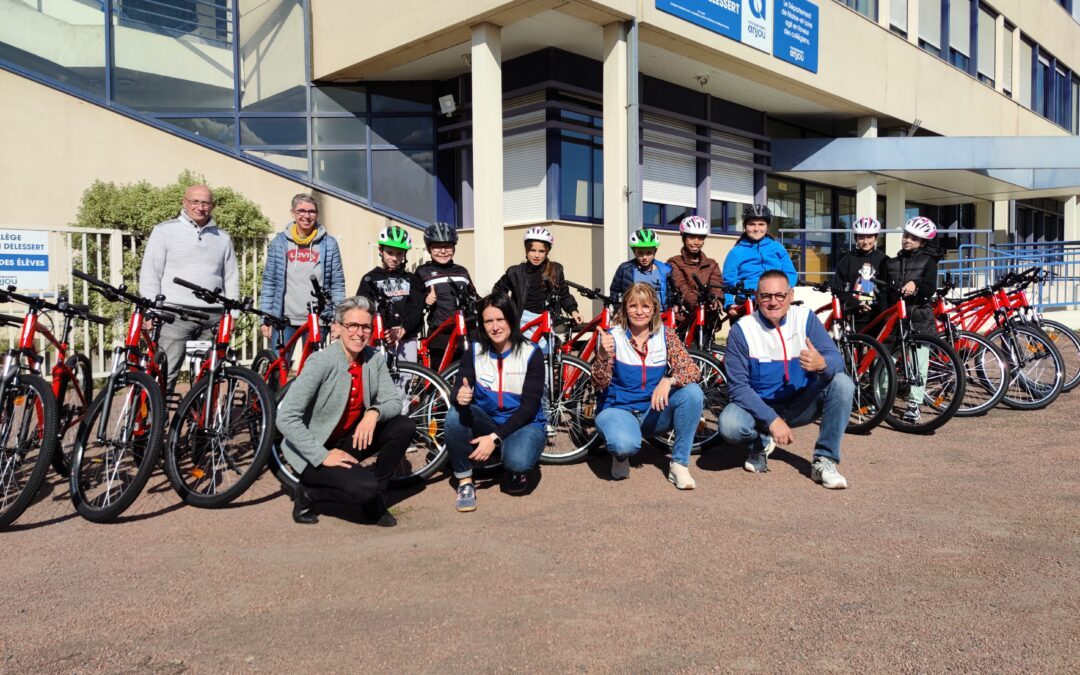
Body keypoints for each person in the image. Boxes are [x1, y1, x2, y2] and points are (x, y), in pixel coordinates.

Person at [276, 296, 417, 526]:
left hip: (348, 439)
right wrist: (322, 456)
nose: (359, 333)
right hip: (312, 450)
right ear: (338, 328)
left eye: (365, 327)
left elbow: (393, 401)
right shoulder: (321, 362)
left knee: (404, 425)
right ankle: (309, 494)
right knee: (364, 488)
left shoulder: (374, 359)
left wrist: (373, 413)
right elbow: (286, 417)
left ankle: (375, 497)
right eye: (352, 325)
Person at [719, 270, 853, 489]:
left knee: (843, 384)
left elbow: (836, 361)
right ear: (756, 296)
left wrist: (823, 364)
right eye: (766, 296)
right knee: (730, 425)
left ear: (791, 295)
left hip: (801, 403)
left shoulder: (805, 318)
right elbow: (738, 389)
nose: (773, 302)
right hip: (759, 409)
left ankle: (824, 460)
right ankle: (759, 443)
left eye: (780, 295)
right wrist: (772, 420)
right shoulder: (742, 329)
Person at [591, 282, 704, 489]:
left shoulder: (666, 334)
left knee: (693, 393)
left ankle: (679, 464)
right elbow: (599, 383)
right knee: (624, 445)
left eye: (645, 306)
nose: (639, 312)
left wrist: (668, 380)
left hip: (653, 412)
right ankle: (620, 455)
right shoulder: (613, 336)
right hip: (619, 410)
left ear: (654, 309)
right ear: (625, 309)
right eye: (633, 306)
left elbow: (693, 371)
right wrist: (601, 356)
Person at [446, 293, 546, 511]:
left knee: (518, 461)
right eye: (488, 321)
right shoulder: (474, 351)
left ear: (511, 319)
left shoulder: (532, 352)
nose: (495, 327)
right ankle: (465, 480)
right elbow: (459, 386)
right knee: (455, 414)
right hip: (489, 420)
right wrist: (459, 395)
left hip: (524, 423)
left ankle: (511, 465)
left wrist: (495, 438)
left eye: (500, 319)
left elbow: (529, 408)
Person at [138, 184, 238, 391]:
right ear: (184, 202)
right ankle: (158, 421)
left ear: (213, 206)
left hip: (213, 318)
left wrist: (232, 315)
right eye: (195, 201)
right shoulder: (164, 231)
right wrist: (151, 310)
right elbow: (151, 272)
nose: (200, 207)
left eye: (206, 203)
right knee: (166, 372)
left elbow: (231, 277)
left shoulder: (223, 238)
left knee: (209, 377)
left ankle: (201, 421)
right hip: (174, 315)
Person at [258, 193, 346, 363]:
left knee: (313, 372)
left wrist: (338, 319)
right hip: (283, 319)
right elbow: (269, 282)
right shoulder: (279, 242)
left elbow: (337, 284)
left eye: (312, 211)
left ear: (317, 214)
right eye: (301, 211)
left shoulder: (329, 244)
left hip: (318, 320)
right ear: (293, 213)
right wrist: (266, 317)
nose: (306, 216)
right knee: (278, 367)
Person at [882, 216, 942, 423]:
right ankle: (882, 400)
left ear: (923, 242)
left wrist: (915, 286)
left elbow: (929, 288)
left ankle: (914, 404)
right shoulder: (892, 262)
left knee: (918, 364)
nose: (907, 240)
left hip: (918, 317)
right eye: (906, 235)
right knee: (886, 361)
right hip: (895, 319)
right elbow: (884, 292)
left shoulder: (928, 261)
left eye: (914, 238)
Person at [493, 227, 581, 350]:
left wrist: (573, 310)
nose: (536, 255)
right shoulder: (515, 272)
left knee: (547, 356)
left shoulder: (555, 270)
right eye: (532, 250)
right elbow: (498, 291)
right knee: (529, 355)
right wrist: (506, 310)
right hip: (524, 319)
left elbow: (564, 293)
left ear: (547, 252)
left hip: (547, 319)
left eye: (541, 251)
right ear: (526, 250)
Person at [356, 225, 425, 362]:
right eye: (390, 252)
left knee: (406, 380)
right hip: (378, 337)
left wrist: (403, 329)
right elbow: (362, 308)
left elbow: (416, 308)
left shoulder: (412, 279)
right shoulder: (370, 278)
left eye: (399, 253)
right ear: (381, 251)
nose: (394, 258)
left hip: (406, 337)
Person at [415, 222, 476, 368]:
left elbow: (474, 296)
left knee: (471, 374)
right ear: (429, 248)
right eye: (437, 246)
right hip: (440, 333)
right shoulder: (422, 272)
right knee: (441, 376)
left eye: (448, 246)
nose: (443, 251)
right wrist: (425, 299)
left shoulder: (461, 271)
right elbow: (413, 301)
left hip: (466, 329)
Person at [722, 204, 798, 315]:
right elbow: (728, 282)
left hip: (775, 299)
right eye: (752, 224)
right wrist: (729, 303)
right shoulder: (736, 252)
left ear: (767, 227)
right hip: (746, 301)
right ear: (745, 226)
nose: (757, 229)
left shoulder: (777, 247)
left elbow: (790, 273)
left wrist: (786, 291)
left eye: (761, 224)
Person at [831, 216, 887, 328]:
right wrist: (855, 304)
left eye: (870, 237)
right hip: (853, 316)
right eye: (861, 237)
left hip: (877, 316)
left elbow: (887, 289)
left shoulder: (884, 260)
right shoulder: (847, 259)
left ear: (876, 237)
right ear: (856, 238)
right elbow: (837, 289)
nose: (865, 242)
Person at [667, 215, 723, 312]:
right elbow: (681, 287)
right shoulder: (674, 262)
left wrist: (715, 300)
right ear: (684, 238)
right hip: (685, 319)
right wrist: (698, 304)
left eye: (700, 238)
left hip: (708, 318)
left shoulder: (712, 264)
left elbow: (716, 285)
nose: (696, 242)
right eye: (692, 237)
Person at [608, 228, 673, 309]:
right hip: (634, 316)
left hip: (661, 316)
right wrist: (620, 310)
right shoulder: (624, 269)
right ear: (634, 251)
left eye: (649, 253)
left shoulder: (665, 270)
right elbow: (615, 292)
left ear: (655, 251)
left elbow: (671, 293)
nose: (644, 257)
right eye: (640, 253)